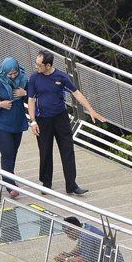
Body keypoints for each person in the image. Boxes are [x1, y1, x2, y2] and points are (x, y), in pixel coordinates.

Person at [25, 51, 102, 197]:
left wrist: (90, 110)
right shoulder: (34, 77)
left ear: (48, 65)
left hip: (60, 117)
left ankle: (71, 185)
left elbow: (76, 92)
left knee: (67, 149)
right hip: (43, 119)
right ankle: (46, 183)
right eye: (36, 63)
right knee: (45, 151)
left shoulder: (60, 76)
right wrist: (33, 121)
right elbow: (30, 99)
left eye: (39, 65)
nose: (36, 66)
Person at [0, 56, 31, 197]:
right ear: (4, 72)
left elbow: (31, 99)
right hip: (1, 123)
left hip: (18, 120)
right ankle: (9, 185)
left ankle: (10, 176)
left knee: (13, 152)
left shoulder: (23, 79)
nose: (13, 77)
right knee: (7, 153)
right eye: (10, 74)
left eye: (15, 74)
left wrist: (24, 93)